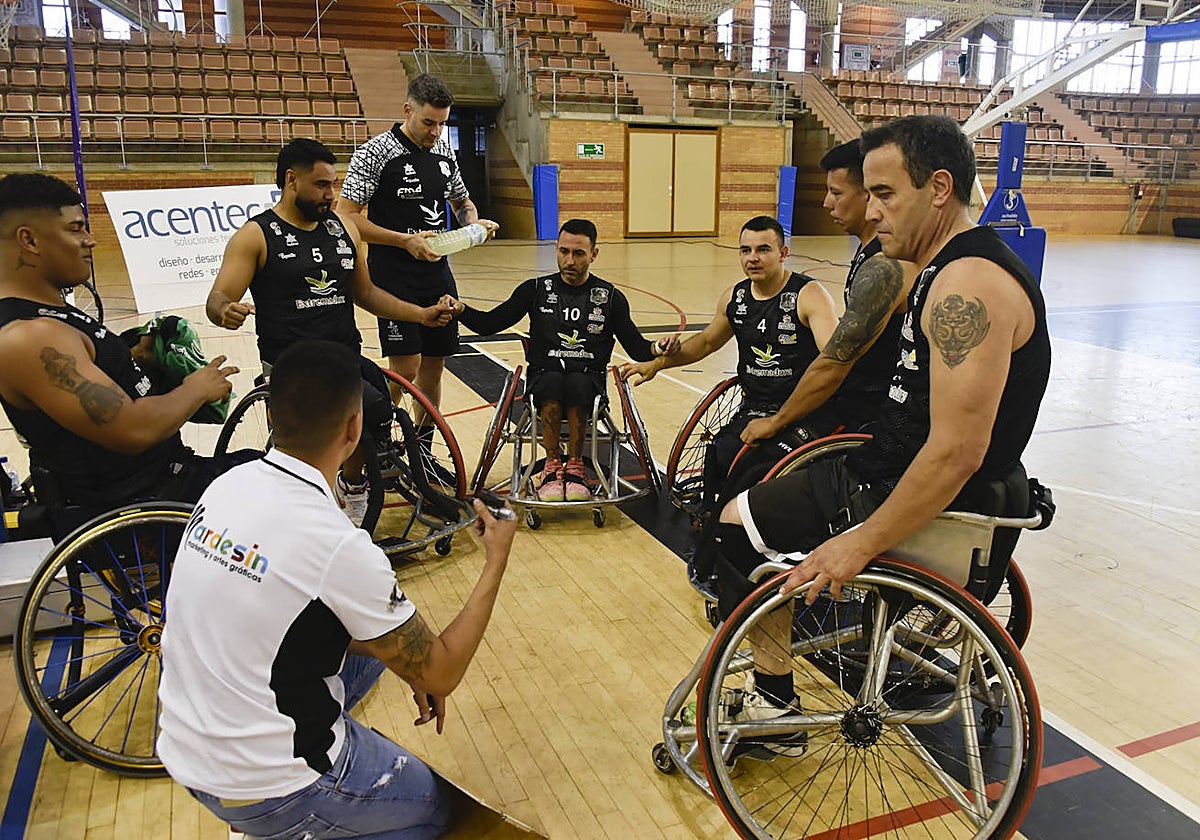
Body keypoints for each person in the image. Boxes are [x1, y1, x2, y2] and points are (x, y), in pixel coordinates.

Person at [711, 114, 1051, 744]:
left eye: (886, 194)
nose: (871, 212)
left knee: (730, 528)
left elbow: (954, 454)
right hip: (890, 465)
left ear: (940, 188)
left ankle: (776, 702)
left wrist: (860, 543)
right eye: (867, 194)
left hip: (922, 494)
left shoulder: (967, 287)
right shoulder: (944, 269)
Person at [157, 339, 518, 839]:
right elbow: (442, 675)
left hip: (183, 750)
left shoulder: (226, 485)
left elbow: (290, 611)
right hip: (272, 784)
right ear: (353, 429)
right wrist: (495, 560)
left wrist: (406, 660)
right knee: (432, 813)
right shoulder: (336, 545)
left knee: (375, 647)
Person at [206, 138, 453, 524]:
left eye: (334, 184)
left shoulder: (344, 230)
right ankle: (307, 496)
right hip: (291, 361)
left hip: (342, 355)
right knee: (363, 405)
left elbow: (367, 293)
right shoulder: (255, 236)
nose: (331, 194)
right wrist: (225, 310)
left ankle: (352, 486)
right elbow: (218, 296)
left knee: (376, 404)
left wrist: (420, 314)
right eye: (322, 185)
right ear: (291, 181)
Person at [0, 173, 240, 534]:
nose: (90, 240)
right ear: (29, 240)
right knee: (291, 488)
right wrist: (198, 387)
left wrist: (135, 355)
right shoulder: (29, 338)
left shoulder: (46, 314)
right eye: (76, 229)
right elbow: (132, 429)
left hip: (158, 484)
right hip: (142, 505)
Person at [619, 216, 839, 589]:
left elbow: (834, 358)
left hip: (803, 411)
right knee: (720, 452)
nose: (753, 258)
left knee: (751, 463)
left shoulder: (808, 295)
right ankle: (718, 532)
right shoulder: (735, 298)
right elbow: (704, 343)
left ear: (783, 253)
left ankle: (755, 545)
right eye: (745, 250)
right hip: (755, 407)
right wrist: (656, 363)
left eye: (764, 249)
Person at [444, 219, 677, 502]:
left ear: (594, 254)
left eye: (578, 254)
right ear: (556, 249)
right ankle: (552, 466)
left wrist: (658, 347)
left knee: (578, 383)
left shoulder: (610, 298)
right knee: (553, 381)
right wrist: (461, 309)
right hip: (545, 377)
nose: (569, 260)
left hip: (588, 380)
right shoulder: (535, 290)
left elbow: (637, 347)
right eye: (563, 251)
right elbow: (490, 323)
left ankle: (576, 466)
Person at [338, 73, 498, 478]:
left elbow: (462, 201)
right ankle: (373, 442)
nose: (436, 131)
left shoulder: (444, 153)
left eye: (442, 122)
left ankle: (421, 456)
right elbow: (347, 217)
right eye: (429, 122)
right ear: (408, 110)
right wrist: (404, 240)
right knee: (404, 369)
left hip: (437, 276)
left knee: (434, 367)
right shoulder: (375, 153)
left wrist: (473, 226)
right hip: (393, 277)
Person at [738, 139, 913, 448]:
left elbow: (835, 362)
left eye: (835, 192)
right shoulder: (868, 251)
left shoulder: (884, 265)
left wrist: (777, 420)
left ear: (868, 195)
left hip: (868, 407)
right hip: (853, 394)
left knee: (760, 457)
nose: (825, 203)